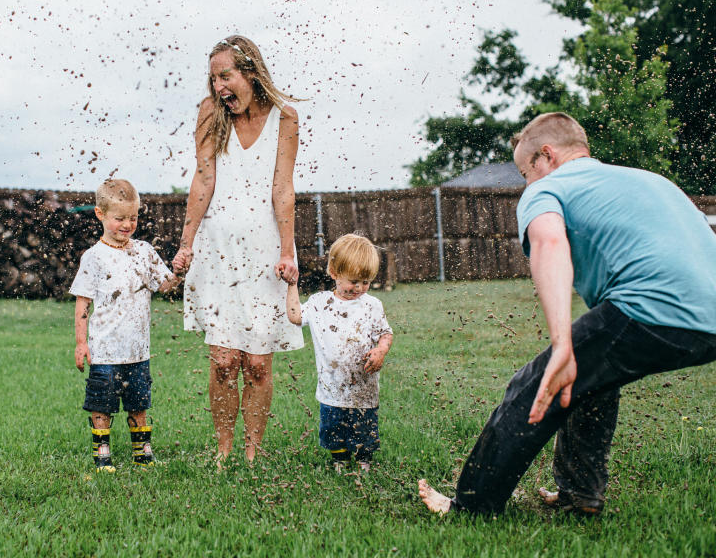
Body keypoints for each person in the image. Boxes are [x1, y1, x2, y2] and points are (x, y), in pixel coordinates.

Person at [419, 112, 716, 515]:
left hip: (652, 307)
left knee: (535, 384)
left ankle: (471, 507)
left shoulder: (548, 189)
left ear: (547, 156)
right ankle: (580, 495)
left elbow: (549, 243)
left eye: (526, 172)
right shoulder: (649, 180)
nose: (526, 183)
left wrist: (562, 343)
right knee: (592, 380)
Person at [172, 35, 304, 463]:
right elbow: (203, 179)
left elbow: (283, 187)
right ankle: (224, 452)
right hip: (217, 252)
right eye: (213, 78)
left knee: (258, 365)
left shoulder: (285, 118)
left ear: (251, 72)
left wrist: (287, 252)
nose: (219, 86)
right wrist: (186, 244)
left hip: (267, 254)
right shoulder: (210, 113)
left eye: (225, 75)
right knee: (225, 360)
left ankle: (252, 452)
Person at [71, 179, 181, 472]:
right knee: (101, 405)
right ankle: (102, 453)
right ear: (100, 214)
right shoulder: (93, 257)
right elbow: (83, 304)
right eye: (119, 218)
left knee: (139, 403)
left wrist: (180, 271)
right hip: (105, 351)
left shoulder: (144, 251)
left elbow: (166, 285)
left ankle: (142, 452)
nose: (127, 224)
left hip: (138, 350)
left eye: (132, 217)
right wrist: (82, 344)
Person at [286, 234, 394, 472]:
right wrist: (292, 285)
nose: (359, 288)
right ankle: (340, 460)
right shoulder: (319, 304)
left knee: (364, 429)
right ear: (334, 272)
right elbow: (295, 316)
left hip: (364, 387)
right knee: (333, 428)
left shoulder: (372, 305)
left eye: (365, 282)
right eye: (354, 281)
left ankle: (364, 461)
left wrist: (380, 351)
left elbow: (386, 334)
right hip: (331, 387)